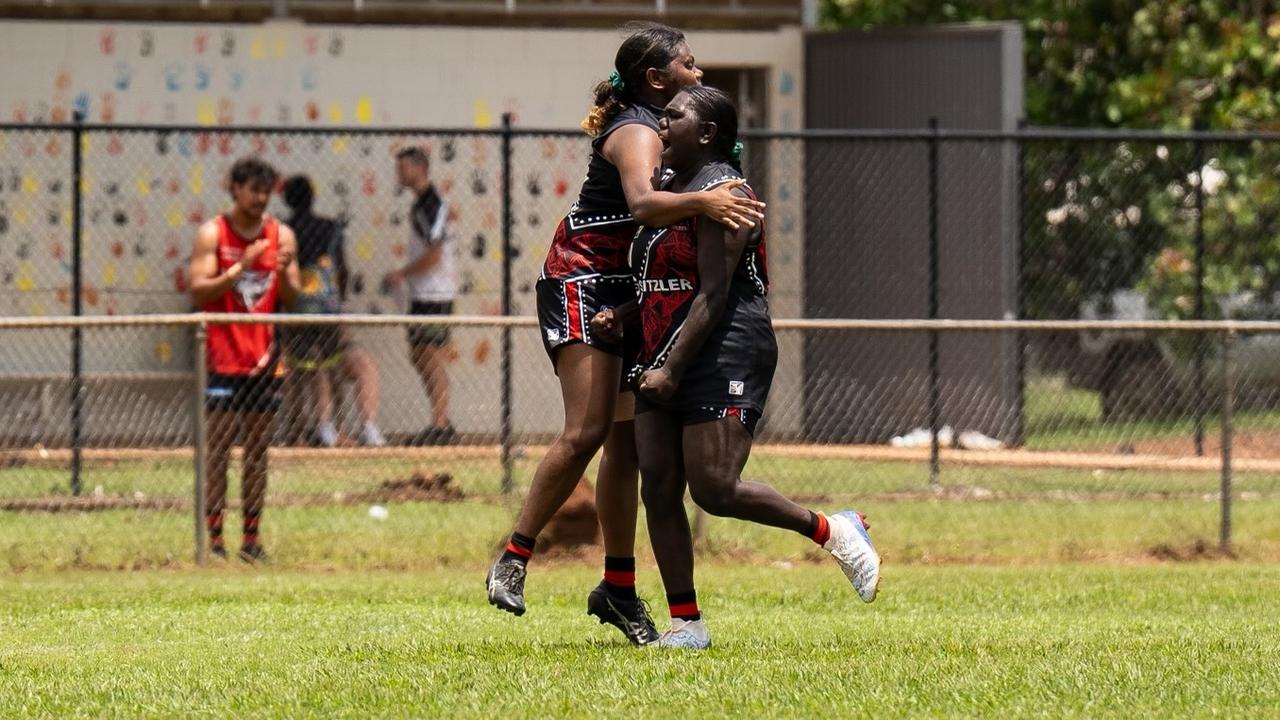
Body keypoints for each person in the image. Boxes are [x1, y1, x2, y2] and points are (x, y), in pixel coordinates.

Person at [483, 23, 765, 647]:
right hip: (584, 277)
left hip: (627, 290)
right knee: (586, 429)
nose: (700, 73)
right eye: (689, 65)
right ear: (656, 78)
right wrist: (706, 203)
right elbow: (639, 203)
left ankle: (616, 586)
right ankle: (513, 556)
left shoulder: (674, 132)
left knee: (627, 446)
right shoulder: (638, 128)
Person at [598, 87, 881, 649]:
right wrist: (625, 315)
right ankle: (688, 625)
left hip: (725, 346)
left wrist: (672, 371)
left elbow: (713, 293)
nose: (662, 123)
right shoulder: (672, 190)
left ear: (706, 133)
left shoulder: (727, 193)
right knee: (657, 484)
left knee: (714, 487)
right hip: (665, 348)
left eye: (675, 116)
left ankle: (832, 529)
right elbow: (667, 282)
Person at [189, 157, 301, 563]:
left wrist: (287, 272)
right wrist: (241, 266)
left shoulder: (280, 234)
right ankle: (214, 542)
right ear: (234, 187)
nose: (258, 198)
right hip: (222, 358)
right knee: (217, 450)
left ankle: (251, 541)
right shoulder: (212, 233)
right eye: (252, 188)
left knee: (257, 452)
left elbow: (291, 298)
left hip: (265, 360)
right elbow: (198, 291)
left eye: (265, 191)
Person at [280, 175, 386, 448]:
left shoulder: (284, 230)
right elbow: (342, 269)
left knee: (297, 366)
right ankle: (329, 426)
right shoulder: (330, 228)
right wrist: (338, 298)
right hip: (327, 306)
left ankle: (297, 428)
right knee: (327, 363)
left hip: (295, 308)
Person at [386, 146, 458, 446]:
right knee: (418, 354)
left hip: (435, 293)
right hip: (422, 293)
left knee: (430, 355)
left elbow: (435, 254)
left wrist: (402, 273)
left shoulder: (432, 204)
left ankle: (440, 424)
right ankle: (439, 421)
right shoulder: (420, 204)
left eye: (403, 168)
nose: (399, 174)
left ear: (419, 168)